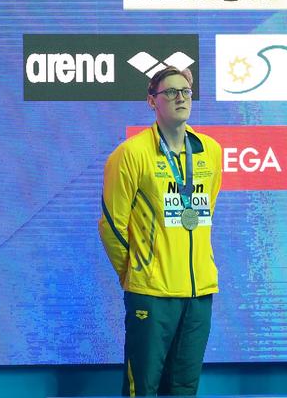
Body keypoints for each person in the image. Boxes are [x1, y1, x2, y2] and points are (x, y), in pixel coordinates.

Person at [98, 66, 222, 396]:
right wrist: (136, 273)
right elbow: (112, 226)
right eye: (170, 92)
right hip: (151, 294)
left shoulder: (211, 151)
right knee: (144, 387)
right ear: (152, 101)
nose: (180, 98)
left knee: (184, 387)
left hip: (199, 294)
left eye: (185, 91)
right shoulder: (129, 154)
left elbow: (205, 208)